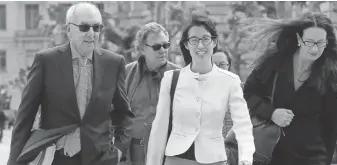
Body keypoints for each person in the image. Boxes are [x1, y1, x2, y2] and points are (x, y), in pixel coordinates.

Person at [7, 2, 135, 165]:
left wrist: (118, 150)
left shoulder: (114, 63)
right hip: (57, 157)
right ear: (68, 30)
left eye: (96, 28)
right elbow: (25, 117)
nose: (91, 34)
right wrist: (14, 161)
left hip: (101, 159)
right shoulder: (46, 61)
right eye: (84, 28)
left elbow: (124, 114)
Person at [146, 13, 255, 165]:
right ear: (186, 44)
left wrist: (246, 158)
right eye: (194, 40)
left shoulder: (230, 81)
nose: (200, 45)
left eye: (205, 39)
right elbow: (159, 130)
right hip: (176, 159)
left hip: (214, 159)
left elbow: (243, 125)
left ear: (214, 42)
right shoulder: (171, 79)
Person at [243, 12, 337, 165]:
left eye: (320, 43)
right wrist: (271, 113)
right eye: (309, 42)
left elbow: (330, 124)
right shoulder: (275, 63)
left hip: (312, 156)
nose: (315, 49)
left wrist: (327, 161)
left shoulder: (329, 73)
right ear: (298, 39)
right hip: (272, 152)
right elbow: (247, 93)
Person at [125, 22, 180, 165]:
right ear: (142, 49)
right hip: (132, 155)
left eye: (166, 45)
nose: (163, 50)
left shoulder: (179, 76)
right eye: (157, 47)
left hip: (166, 154)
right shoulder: (126, 73)